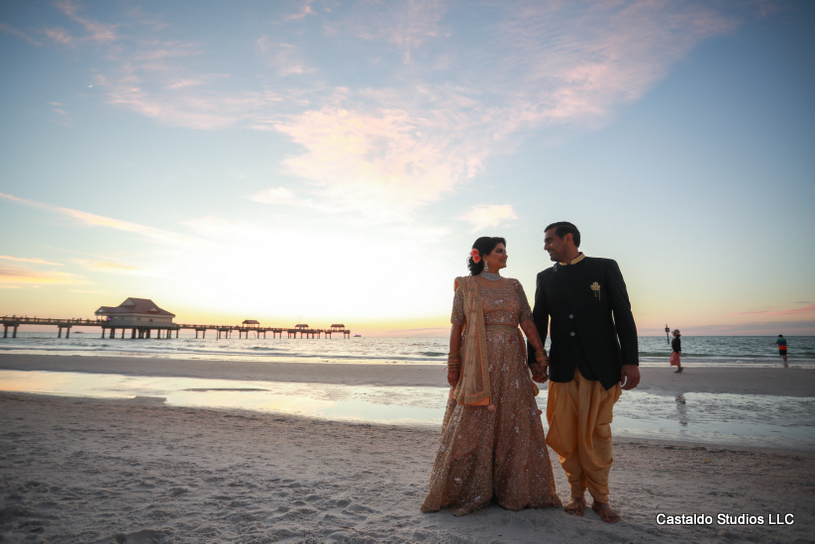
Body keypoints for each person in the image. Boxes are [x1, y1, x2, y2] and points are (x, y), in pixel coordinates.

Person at [421, 236, 561, 516]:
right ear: (481, 255)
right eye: (499, 251)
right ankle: (470, 488)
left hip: (511, 359)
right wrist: (453, 363)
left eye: (505, 251)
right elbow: (457, 325)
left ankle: (513, 487)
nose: (505, 255)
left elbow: (526, 321)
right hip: (477, 361)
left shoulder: (514, 285)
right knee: (475, 419)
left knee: (515, 419)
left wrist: (540, 354)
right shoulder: (466, 285)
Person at [528, 222, 640, 524]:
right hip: (563, 367)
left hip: (602, 366)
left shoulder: (604, 268)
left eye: (550, 240)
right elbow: (538, 322)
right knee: (566, 433)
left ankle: (601, 499)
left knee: (597, 433)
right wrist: (535, 359)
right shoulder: (545, 278)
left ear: (568, 238)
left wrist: (631, 359)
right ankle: (576, 494)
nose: (546, 246)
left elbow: (623, 314)